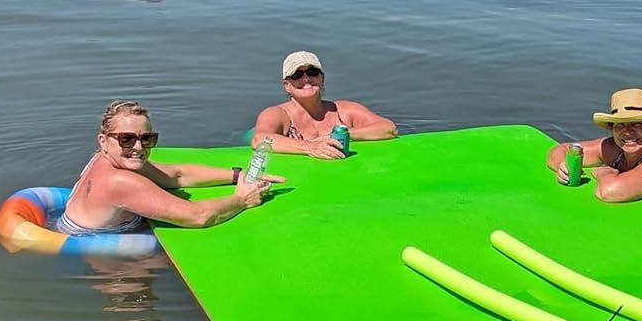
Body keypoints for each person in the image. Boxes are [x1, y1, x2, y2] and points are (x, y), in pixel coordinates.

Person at [57, 101, 284, 234]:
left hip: (72, 228)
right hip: (95, 250)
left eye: (147, 138)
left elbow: (176, 174)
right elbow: (199, 216)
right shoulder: (120, 181)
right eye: (126, 139)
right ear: (103, 141)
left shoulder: (105, 159)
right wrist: (243, 199)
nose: (138, 147)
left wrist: (238, 175)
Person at [546, 87, 642, 204]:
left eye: (637, 124)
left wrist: (605, 172)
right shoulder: (614, 149)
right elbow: (560, 150)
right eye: (620, 125)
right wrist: (564, 166)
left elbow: (608, 192)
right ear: (612, 129)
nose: (627, 132)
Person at [252, 50, 397, 159]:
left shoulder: (343, 111)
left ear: (322, 78)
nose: (306, 79)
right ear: (287, 85)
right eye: (297, 75)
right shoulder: (277, 114)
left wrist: (341, 136)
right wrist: (310, 147)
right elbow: (259, 140)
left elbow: (388, 128)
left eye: (312, 72)